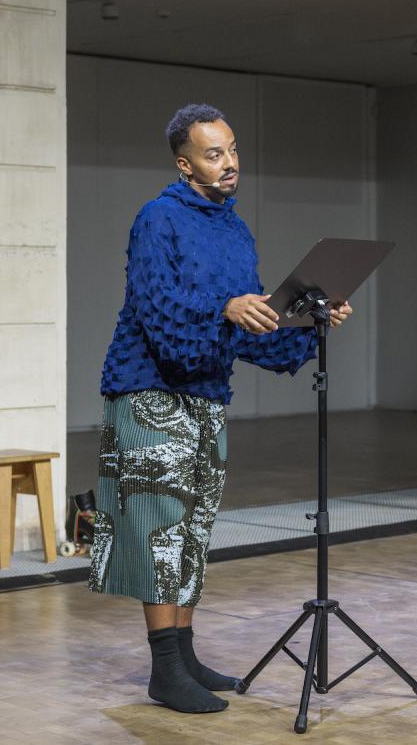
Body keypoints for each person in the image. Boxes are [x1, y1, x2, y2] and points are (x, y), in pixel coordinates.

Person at [88, 103, 354, 714]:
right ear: (185, 165)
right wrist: (224, 308)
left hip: (205, 393)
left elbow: (247, 329)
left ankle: (184, 656)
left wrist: (309, 321)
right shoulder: (157, 218)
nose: (229, 162)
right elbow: (157, 308)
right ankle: (164, 670)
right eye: (214, 154)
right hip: (149, 392)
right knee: (160, 529)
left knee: (194, 527)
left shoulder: (235, 230)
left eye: (232, 150)